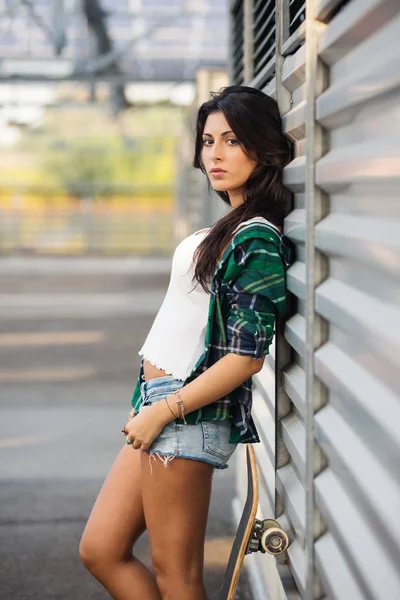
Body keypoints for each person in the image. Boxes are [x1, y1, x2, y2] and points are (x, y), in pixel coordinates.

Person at [79, 85, 293, 600]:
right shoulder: (228, 227)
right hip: (158, 407)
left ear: (263, 148)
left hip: (184, 415)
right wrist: (151, 407)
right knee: (101, 549)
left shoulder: (256, 238)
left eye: (232, 141)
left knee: (178, 576)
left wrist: (165, 410)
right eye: (207, 141)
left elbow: (246, 357)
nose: (215, 154)